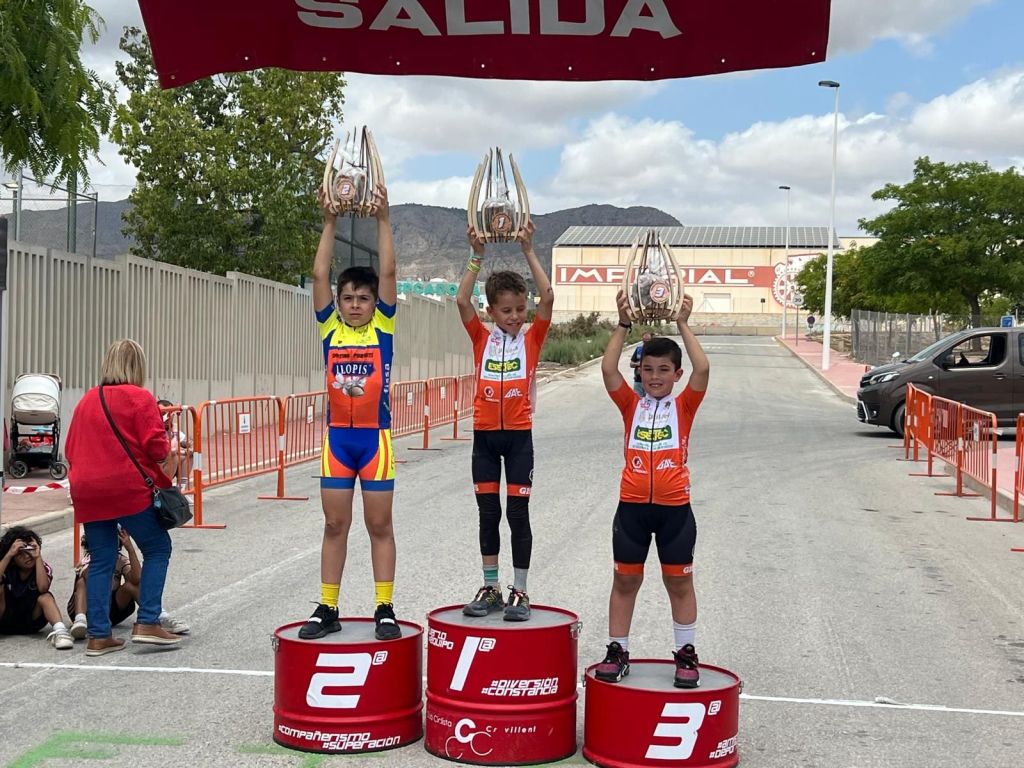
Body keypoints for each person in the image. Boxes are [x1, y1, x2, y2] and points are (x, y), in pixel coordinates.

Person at [300, 183, 401, 642]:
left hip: (375, 442)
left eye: (363, 298)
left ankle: (384, 607)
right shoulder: (329, 329)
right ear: (338, 303)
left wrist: (383, 218)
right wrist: (329, 221)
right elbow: (319, 273)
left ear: (374, 303)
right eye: (348, 298)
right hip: (338, 442)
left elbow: (390, 270)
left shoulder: (383, 327)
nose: (356, 305)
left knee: (379, 525)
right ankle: (328, 607)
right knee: (334, 524)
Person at [594, 289, 710, 688]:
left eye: (664, 370)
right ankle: (617, 650)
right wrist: (623, 324)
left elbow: (703, 369)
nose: (655, 377)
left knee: (679, 582)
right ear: (640, 373)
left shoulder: (684, 406)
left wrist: (683, 324)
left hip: (675, 510)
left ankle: (686, 652)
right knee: (625, 581)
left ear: (677, 375)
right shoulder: (631, 405)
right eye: (648, 370)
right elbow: (608, 369)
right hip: (632, 510)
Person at [455, 221, 554, 622]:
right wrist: (475, 256)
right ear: (491, 311)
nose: (515, 317)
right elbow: (461, 299)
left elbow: (549, 296)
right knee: (488, 514)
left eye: (520, 310)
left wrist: (528, 249)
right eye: (506, 311)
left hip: (518, 438)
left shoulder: (532, 338)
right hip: (484, 437)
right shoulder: (482, 338)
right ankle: (491, 587)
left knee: (517, 514)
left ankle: (521, 592)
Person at [65, 339, 183, 656]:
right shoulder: (139, 397)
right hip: (126, 487)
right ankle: (148, 621)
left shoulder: (88, 399)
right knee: (158, 547)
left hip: (87, 490)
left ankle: (99, 634)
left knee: (102, 558)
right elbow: (157, 449)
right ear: (138, 366)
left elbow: (70, 447)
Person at [0, 526, 73, 649]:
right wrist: (9, 554)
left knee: (46, 596)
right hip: (4, 620)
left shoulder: (42, 567)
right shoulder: (6, 567)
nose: (27, 556)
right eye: (20, 553)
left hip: (31, 621)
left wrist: (38, 557)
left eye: (30, 550)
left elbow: (43, 588)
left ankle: (60, 632)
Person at [68, 527, 141, 640]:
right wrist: (101, 558)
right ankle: (80, 620)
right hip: (88, 608)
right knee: (82, 582)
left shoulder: (120, 560)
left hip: (111, 609)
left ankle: (152, 614)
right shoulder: (89, 558)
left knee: (130, 586)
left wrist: (130, 549)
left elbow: (136, 579)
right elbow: (88, 577)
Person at [156, 399, 192, 487]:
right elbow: (172, 449)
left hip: (164, 464)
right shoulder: (155, 428)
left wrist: (185, 451)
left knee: (188, 456)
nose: (167, 417)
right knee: (173, 456)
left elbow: (192, 444)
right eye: (163, 414)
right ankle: (164, 488)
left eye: (170, 414)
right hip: (152, 468)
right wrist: (175, 431)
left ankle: (181, 489)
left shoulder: (171, 428)